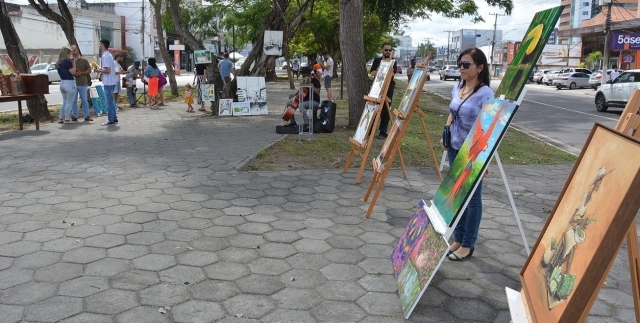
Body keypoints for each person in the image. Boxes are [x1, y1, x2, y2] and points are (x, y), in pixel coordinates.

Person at [440, 47, 494, 262]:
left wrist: (484, 157)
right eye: (459, 64)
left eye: (466, 64)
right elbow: (452, 113)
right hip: (454, 148)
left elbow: (489, 127)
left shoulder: (485, 93)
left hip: (473, 153)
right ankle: (458, 238)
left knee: (472, 200)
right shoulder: (458, 87)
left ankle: (468, 244)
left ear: (480, 68)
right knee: (456, 197)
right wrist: (446, 132)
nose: (460, 68)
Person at [370, 43, 398, 139]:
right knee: (374, 107)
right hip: (377, 87)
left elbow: (392, 74)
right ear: (382, 50)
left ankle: (383, 131)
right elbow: (372, 72)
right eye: (386, 50)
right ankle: (369, 129)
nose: (388, 52)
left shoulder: (393, 61)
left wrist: (381, 71)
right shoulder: (377, 60)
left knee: (386, 109)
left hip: (388, 87)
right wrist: (380, 71)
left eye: (390, 50)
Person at [287, 66, 321, 130]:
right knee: (289, 103)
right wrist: (294, 95)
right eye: (302, 75)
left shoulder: (315, 81)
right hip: (305, 100)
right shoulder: (304, 81)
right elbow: (301, 90)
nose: (302, 76)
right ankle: (293, 122)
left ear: (308, 74)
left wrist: (311, 86)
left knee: (300, 105)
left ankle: (307, 123)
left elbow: (318, 92)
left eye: (304, 75)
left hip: (314, 101)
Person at [94, 39, 118, 125]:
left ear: (103, 45)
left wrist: (98, 71)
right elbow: (108, 69)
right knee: (111, 101)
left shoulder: (105, 56)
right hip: (112, 81)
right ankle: (114, 117)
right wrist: (100, 69)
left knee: (109, 102)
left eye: (100, 44)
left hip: (108, 82)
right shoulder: (109, 55)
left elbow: (107, 70)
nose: (99, 46)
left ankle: (111, 119)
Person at [69, 45, 93, 122]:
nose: (73, 52)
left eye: (74, 50)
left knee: (84, 100)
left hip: (82, 83)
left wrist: (81, 73)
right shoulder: (69, 61)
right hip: (73, 84)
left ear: (78, 50)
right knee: (73, 101)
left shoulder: (84, 60)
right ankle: (74, 115)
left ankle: (86, 115)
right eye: (71, 51)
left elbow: (89, 70)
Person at [56, 46, 77, 124]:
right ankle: (67, 119)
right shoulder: (67, 62)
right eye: (70, 53)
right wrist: (74, 62)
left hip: (62, 82)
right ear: (67, 53)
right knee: (69, 102)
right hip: (69, 82)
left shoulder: (58, 62)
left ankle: (61, 118)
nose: (71, 55)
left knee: (64, 102)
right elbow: (73, 72)